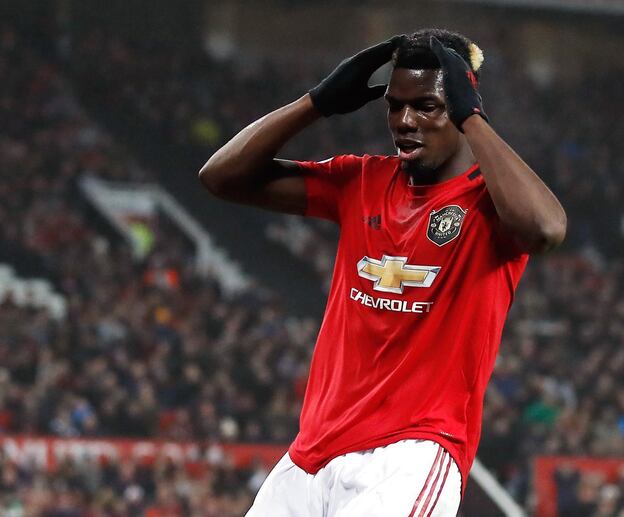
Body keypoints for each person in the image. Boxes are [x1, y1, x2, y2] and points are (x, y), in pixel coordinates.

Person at [199, 28, 566, 517]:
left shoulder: (493, 203)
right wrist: (317, 102)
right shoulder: (363, 180)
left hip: (410, 455)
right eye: (395, 106)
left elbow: (544, 229)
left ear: (460, 107)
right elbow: (221, 178)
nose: (405, 121)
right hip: (312, 454)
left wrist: (472, 116)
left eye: (428, 107)